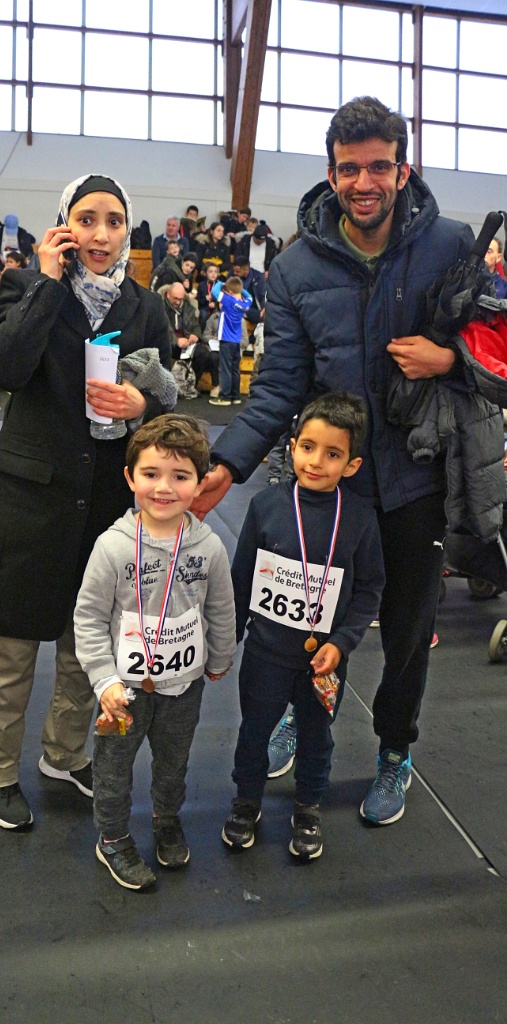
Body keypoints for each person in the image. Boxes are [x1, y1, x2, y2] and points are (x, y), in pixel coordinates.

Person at [193, 95, 488, 827]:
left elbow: (494, 351)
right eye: (349, 169)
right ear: (330, 174)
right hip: (332, 489)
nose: (364, 182)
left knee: (407, 635)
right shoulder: (295, 266)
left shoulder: (451, 244)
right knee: (313, 623)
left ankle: (395, 749)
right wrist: (225, 464)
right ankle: (306, 715)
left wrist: (447, 358)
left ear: (403, 170)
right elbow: (277, 387)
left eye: (378, 167)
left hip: (417, 479)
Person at [0, 173, 174, 831]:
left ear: (126, 230)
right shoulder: (25, 286)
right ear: (63, 225)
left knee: (87, 647)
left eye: (113, 221)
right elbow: (2, 370)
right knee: (12, 650)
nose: (100, 234)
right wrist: (47, 283)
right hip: (29, 499)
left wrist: (141, 402)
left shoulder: (145, 306)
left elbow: (165, 393)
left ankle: (64, 753)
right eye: (86, 218)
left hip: (105, 503)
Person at [74, 414, 236, 890]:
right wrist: (104, 680)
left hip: (182, 686)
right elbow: (88, 619)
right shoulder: (112, 548)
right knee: (112, 767)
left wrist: (220, 657)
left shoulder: (209, 548)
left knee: (173, 761)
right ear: (130, 478)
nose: (164, 488)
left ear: (200, 484)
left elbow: (221, 609)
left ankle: (167, 818)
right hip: (123, 692)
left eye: (180, 476)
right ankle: (112, 837)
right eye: (151, 474)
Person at [223, 394, 385, 859]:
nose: (316, 462)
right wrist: (228, 640)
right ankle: (246, 801)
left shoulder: (359, 517)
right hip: (266, 653)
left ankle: (309, 806)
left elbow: (369, 588)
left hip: (323, 661)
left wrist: (343, 642)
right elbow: (241, 579)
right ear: (292, 447)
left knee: (316, 737)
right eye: (308, 448)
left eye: (332, 454)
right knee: (254, 732)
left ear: (351, 465)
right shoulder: (266, 506)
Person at [208, 276, 251, 407]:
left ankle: (225, 397)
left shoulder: (228, 300)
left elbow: (214, 291)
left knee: (225, 369)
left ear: (230, 292)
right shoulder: (245, 304)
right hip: (236, 342)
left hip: (226, 341)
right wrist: (240, 290)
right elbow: (249, 296)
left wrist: (222, 283)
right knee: (234, 369)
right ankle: (235, 396)